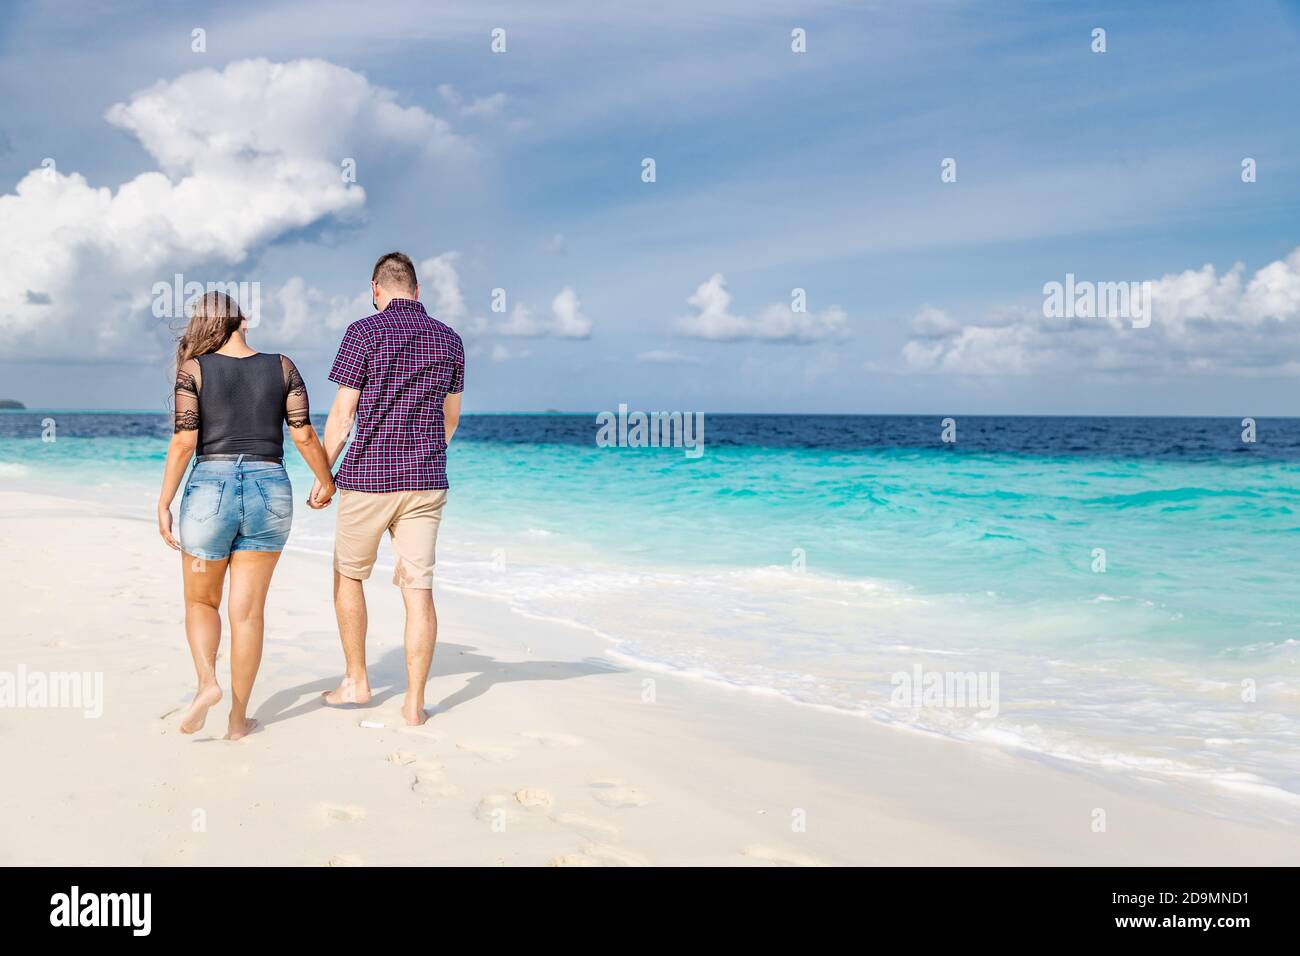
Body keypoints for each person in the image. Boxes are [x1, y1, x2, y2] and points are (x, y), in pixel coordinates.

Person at [157, 291, 337, 739]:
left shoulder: (193, 370)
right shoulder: (282, 367)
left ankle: (206, 685)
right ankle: (239, 721)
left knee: (202, 601)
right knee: (248, 613)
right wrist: (327, 479)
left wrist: (164, 501)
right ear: (245, 320)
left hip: (209, 491)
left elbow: (184, 442)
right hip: (270, 488)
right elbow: (303, 433)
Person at [311, 251, 465, 726]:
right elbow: (450, 418)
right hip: (425, 482)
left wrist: (323, 476)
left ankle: (357, 682)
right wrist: (423, 457)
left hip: (368, 479)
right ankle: (414, 703)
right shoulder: (450, 339)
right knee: (419, 589)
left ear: (375, 289)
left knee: (349, 576)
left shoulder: (363, 332)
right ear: (417, 291)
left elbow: (341, 417)